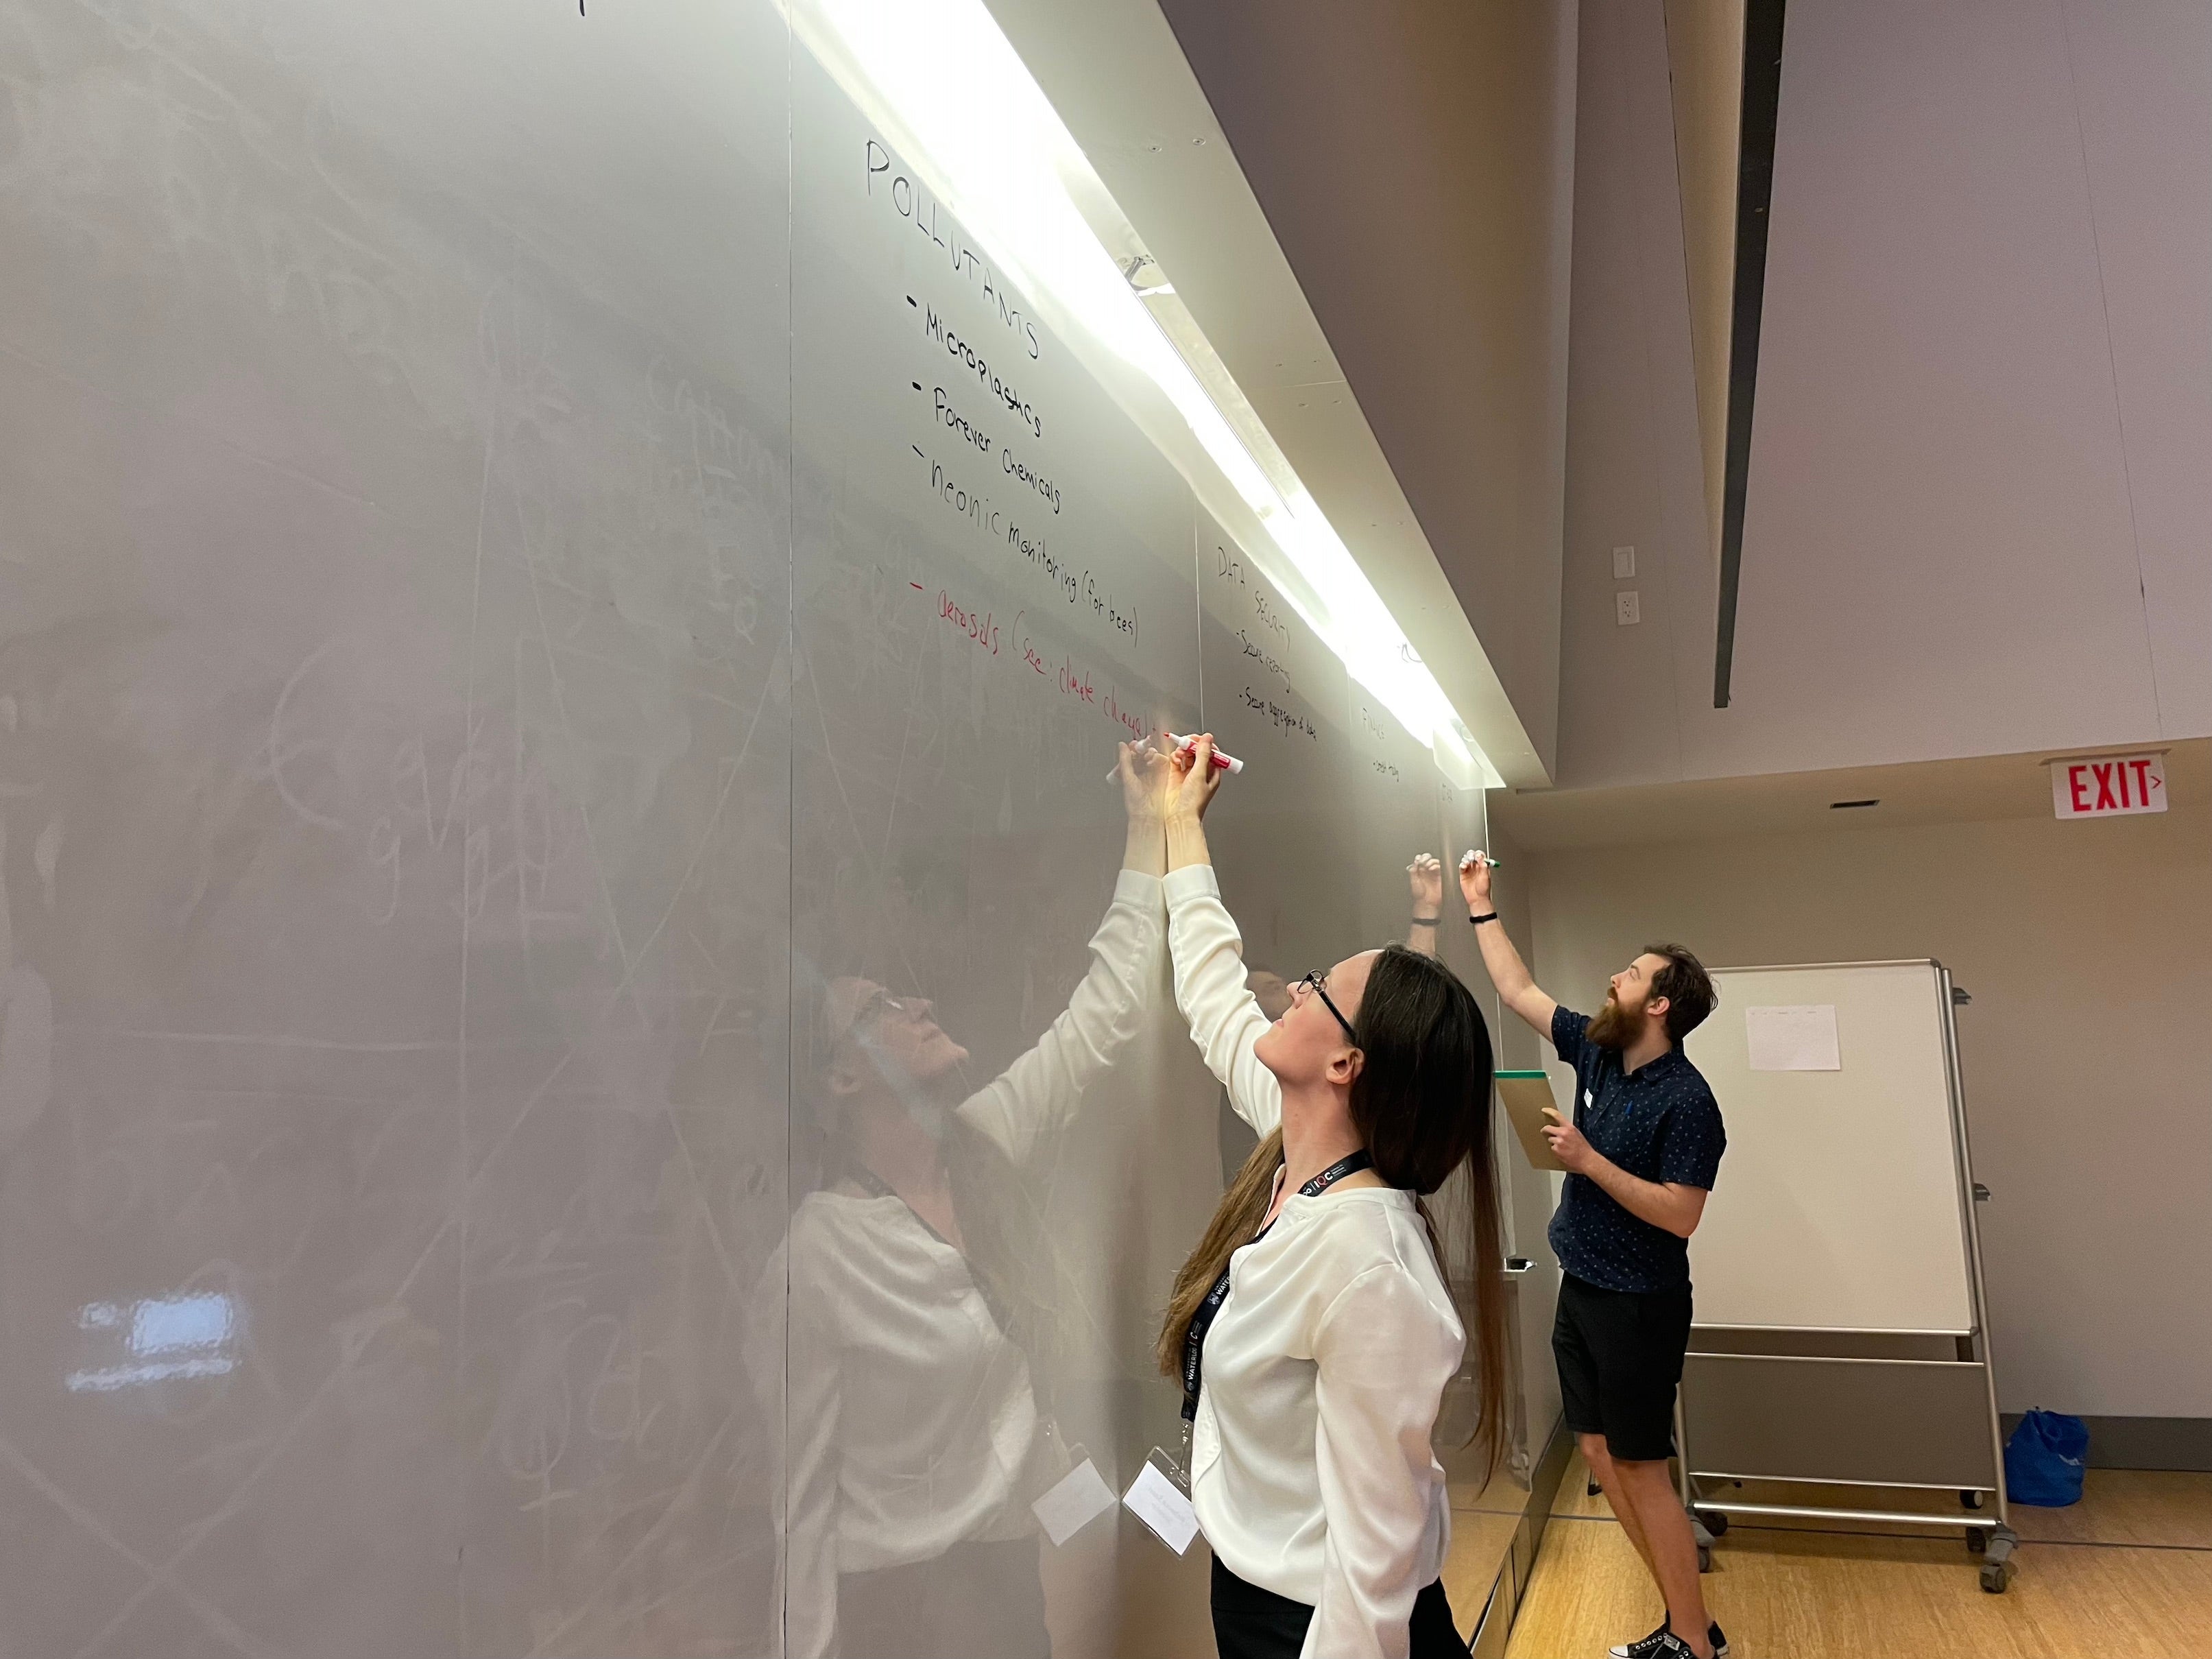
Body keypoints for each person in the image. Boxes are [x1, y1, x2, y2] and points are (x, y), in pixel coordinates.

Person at [747, 743, 1172, 1659]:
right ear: (839, 1078)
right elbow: (798, 1505)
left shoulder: (982, 1147)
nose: (919, 1001)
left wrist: (1149, 829)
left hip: (1005, 1590)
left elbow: (1104, 1011)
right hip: (898, 1613)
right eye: (879, 1009)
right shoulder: (814, 1259)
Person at [1154, 736, 1508, 1659]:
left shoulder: (1366, 1263)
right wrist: (1180, 827)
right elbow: (1214, 993)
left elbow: (1371, 1572)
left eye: (1317, 988)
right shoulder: (1298, 1148)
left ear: (1346, 1063)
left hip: (1320, 1626)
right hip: (1266, 1594)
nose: (1293, 990)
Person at [1458, 851, 1729, 1659]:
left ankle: (1691, 1642)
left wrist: (1587, 1161)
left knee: (1642, 1470)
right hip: (1580, 1289)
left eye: (1631, 974)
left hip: (1639, 1305)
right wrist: (1479, 905)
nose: (1615, 977)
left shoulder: (1689, 1100)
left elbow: (1681, 1215)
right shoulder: (1599, 1051)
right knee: (1597, 1452)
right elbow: (1517, 990)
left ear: (1661, 1003)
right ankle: (1685, 1617)